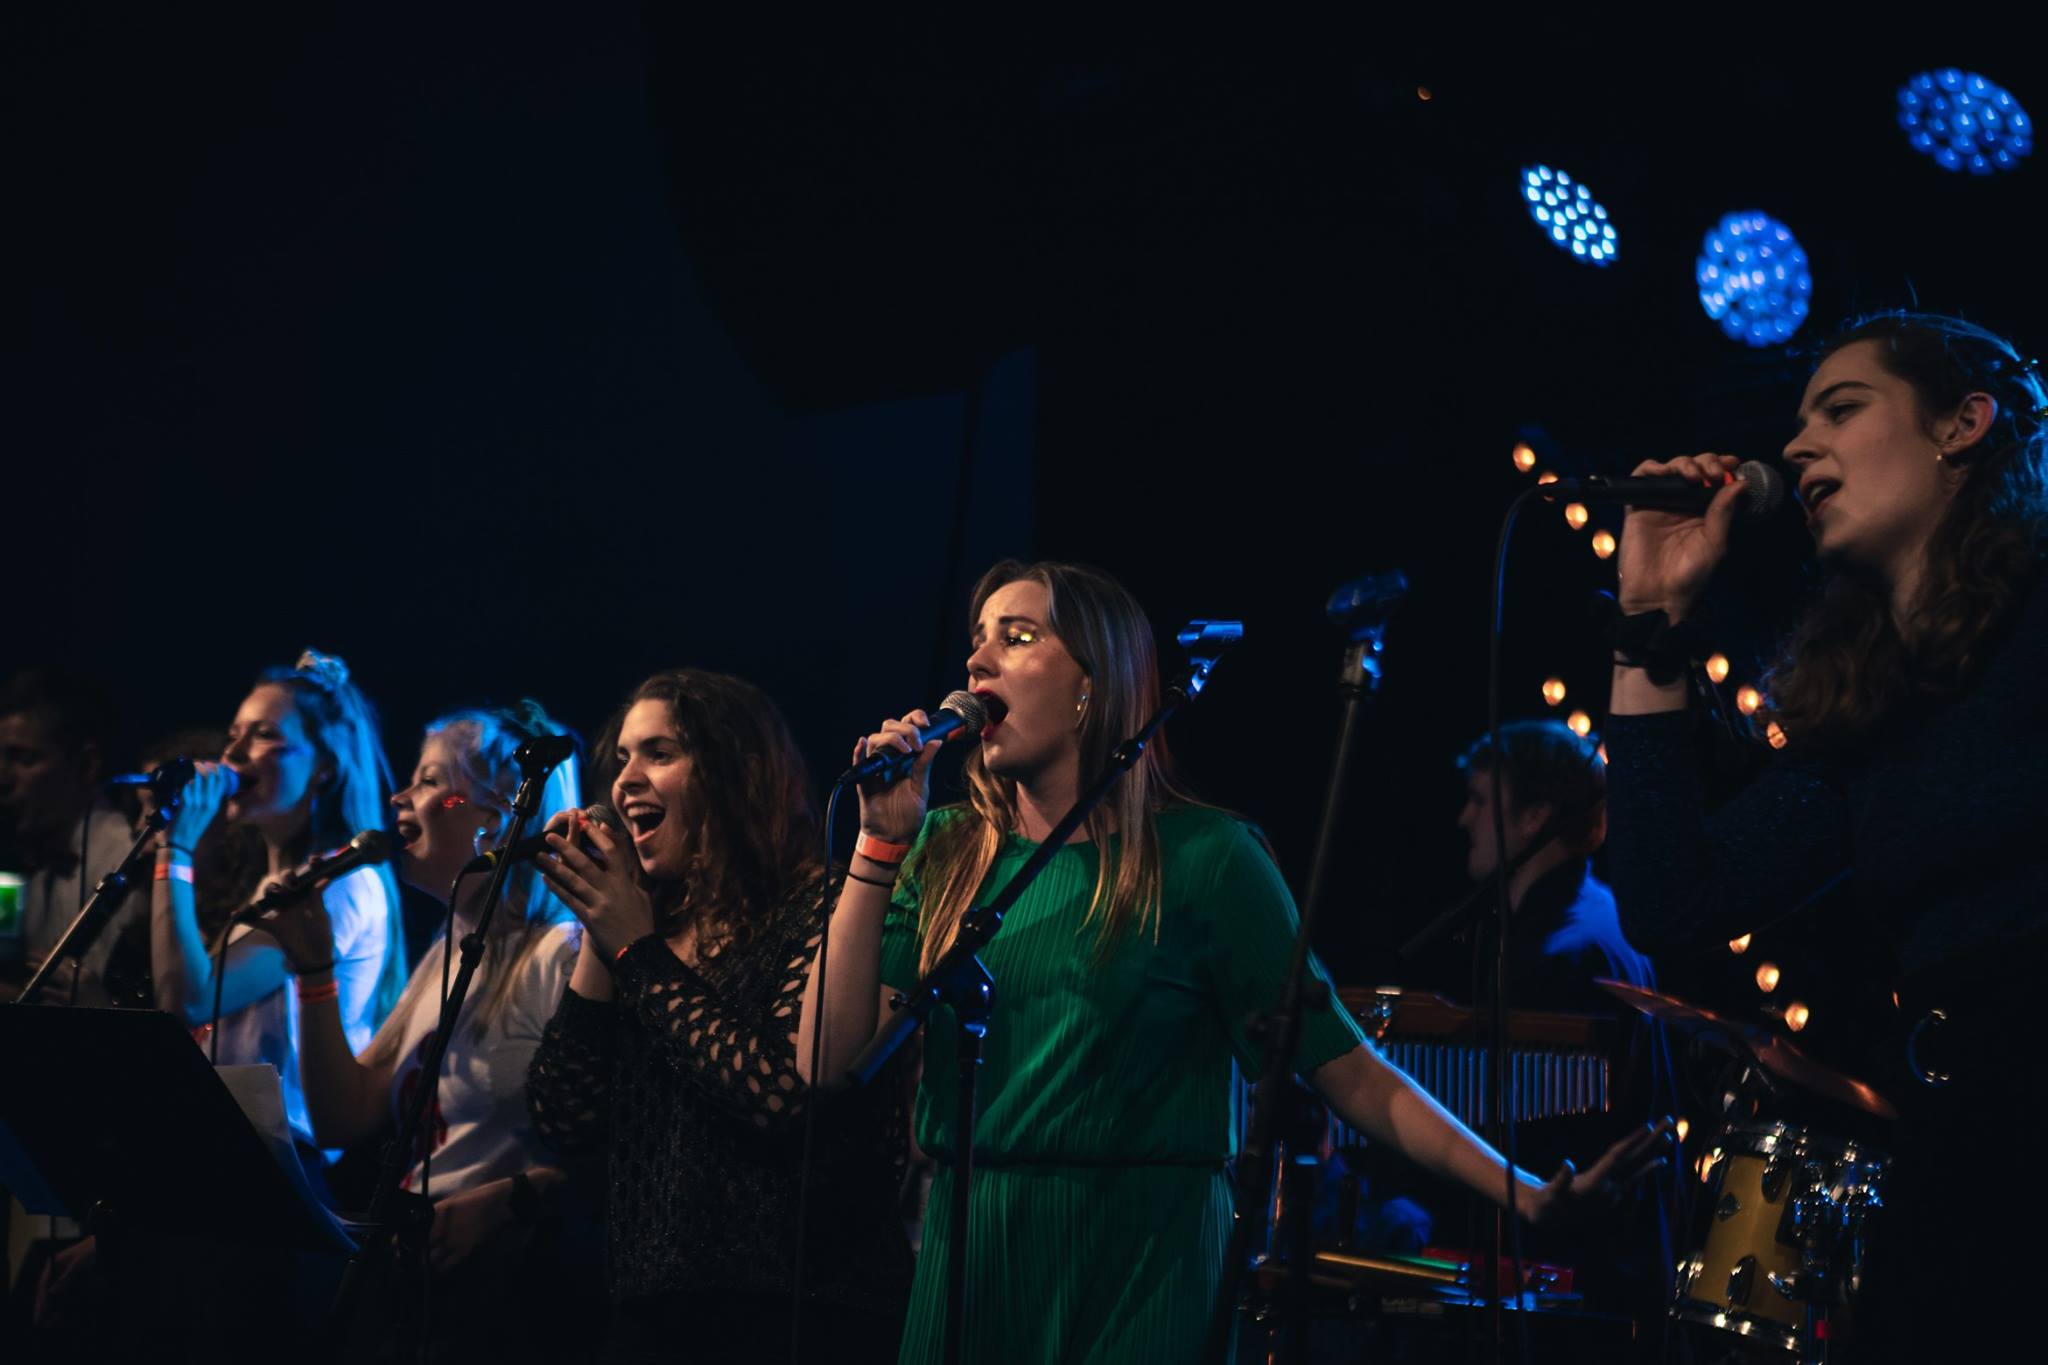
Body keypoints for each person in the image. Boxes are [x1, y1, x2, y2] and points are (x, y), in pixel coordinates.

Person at [800, 559, 1669, 1365]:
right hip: (973, 1252)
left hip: (1140, 1263)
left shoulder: (1207, 860)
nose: (977, 660)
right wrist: (878, 845)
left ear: (1092, 685)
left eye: (1017, 636)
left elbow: (1350, 1071)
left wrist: (1524, 1193)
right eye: (977, 638)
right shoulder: (945, 846)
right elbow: (823, 1059)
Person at [1602, 312, 2048, 1363]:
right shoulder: (1871, 704)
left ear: (1963, 424)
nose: (1797, 445)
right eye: (1799, 422)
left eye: (1840, 410)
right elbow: (1673, 901)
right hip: (1957, 1156)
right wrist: (1646, 626)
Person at [525, 669, 910, 1365]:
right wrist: (604, 926)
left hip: (800, 1316)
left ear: (739, 772)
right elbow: (564, 1116)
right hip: (650, 1319)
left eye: (660, 753)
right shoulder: (648, 934)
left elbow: (782, 1095)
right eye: (622, 758)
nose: (625, 781)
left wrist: (633, 948)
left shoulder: (822, 907)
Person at [260, 700, 587, 1362]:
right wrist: (314, 971)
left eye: (431, 780)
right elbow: (342, 1116)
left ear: (496, 820)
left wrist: (515, 1201)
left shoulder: (562, 954)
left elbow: (607, 1147)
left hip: (504, 1306)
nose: (397, 796)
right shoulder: (448, 952)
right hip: (416, 1288)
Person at [149, 648, 405, 1160]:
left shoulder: (339, 884)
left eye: (264, 735)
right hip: (234, 1148)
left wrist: (174, 852)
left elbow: (191, 999)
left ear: (325, 768)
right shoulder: (276, 881)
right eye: (233, 735)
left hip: (284, 1159)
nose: (233, 753)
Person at [0, 668, 138, 1005]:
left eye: (24, 759)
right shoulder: (34, 860)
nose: (3, 778)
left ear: (86, 765)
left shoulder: (131, 859)